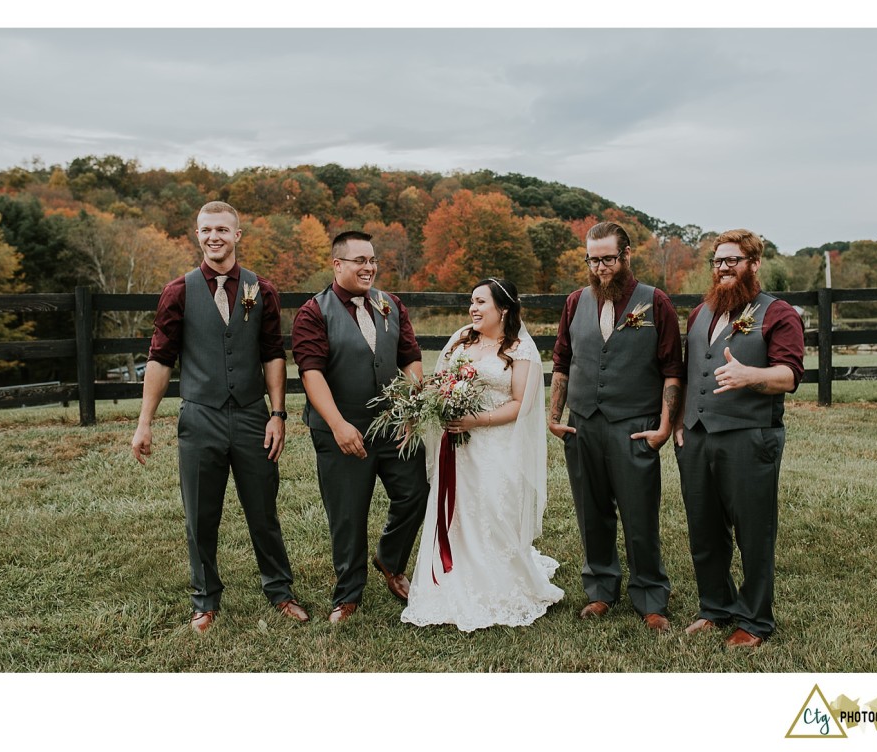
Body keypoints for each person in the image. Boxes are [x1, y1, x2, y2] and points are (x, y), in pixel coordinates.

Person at [131, 201, 308, 633]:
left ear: (237, 235)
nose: (215, 237)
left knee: (263, 511)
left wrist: (278, 413)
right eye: (207, 229)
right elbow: (159, 358)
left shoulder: (261, 290)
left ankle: (280, 591)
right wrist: (144, 421)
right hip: (200, 417)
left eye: (223, 230)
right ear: (197, 236)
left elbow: (272, 355)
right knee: (200, 515)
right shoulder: (179, 291)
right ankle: (205, 599)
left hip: (251, 416)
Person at [402, 278, 563, 631]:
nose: (472, 309)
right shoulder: (462, 339)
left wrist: (477, 419)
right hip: (457, 447)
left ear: (502, 309)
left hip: (497, 444)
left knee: (492, 510)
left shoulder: (520, 350)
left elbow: (521, 404)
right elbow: (440, 382)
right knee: (456, 513)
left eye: (480, 302)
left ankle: (499, 583)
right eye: (471, 302)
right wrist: (439, 402)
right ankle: (450, 579)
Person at [549, 221, 683, 631]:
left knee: (640, 515)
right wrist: (554, 418)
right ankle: (601, 590)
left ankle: (650, 596)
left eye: (608, 258)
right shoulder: (575, 302)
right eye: (593, 260)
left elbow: (672, 371)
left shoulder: (655, 302)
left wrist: (663, 428)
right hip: (583, 423)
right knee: (592, 513)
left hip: (635, 425)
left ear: (627, 256)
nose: (601, 267)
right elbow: (562, 362)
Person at [673, 228, 804, 648]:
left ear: (754, 264)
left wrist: (751, 376)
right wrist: (679, 420)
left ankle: (755, 620)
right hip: (696, 436)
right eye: (718, 261)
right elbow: (692, 370)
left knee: (754, 531)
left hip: (750, 437)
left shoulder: (779, 313)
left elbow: (789, 375)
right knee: (704, 529)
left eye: (733, 260)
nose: (724, 267)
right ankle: (715, 608)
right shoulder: (701, 314)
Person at [292, 231, 430, 624]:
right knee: (348, 513)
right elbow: (311, 374)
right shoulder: (313, 313)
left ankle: (390, 558)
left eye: (372, 260)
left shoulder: (391, 305)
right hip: (340, 430)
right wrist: (338, 425)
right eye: (359, 261)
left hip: (392, 426)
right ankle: (348, 593)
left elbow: (411, 357)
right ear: (338, 265)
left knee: (416, 491)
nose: (369, 267)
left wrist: (410, 406)